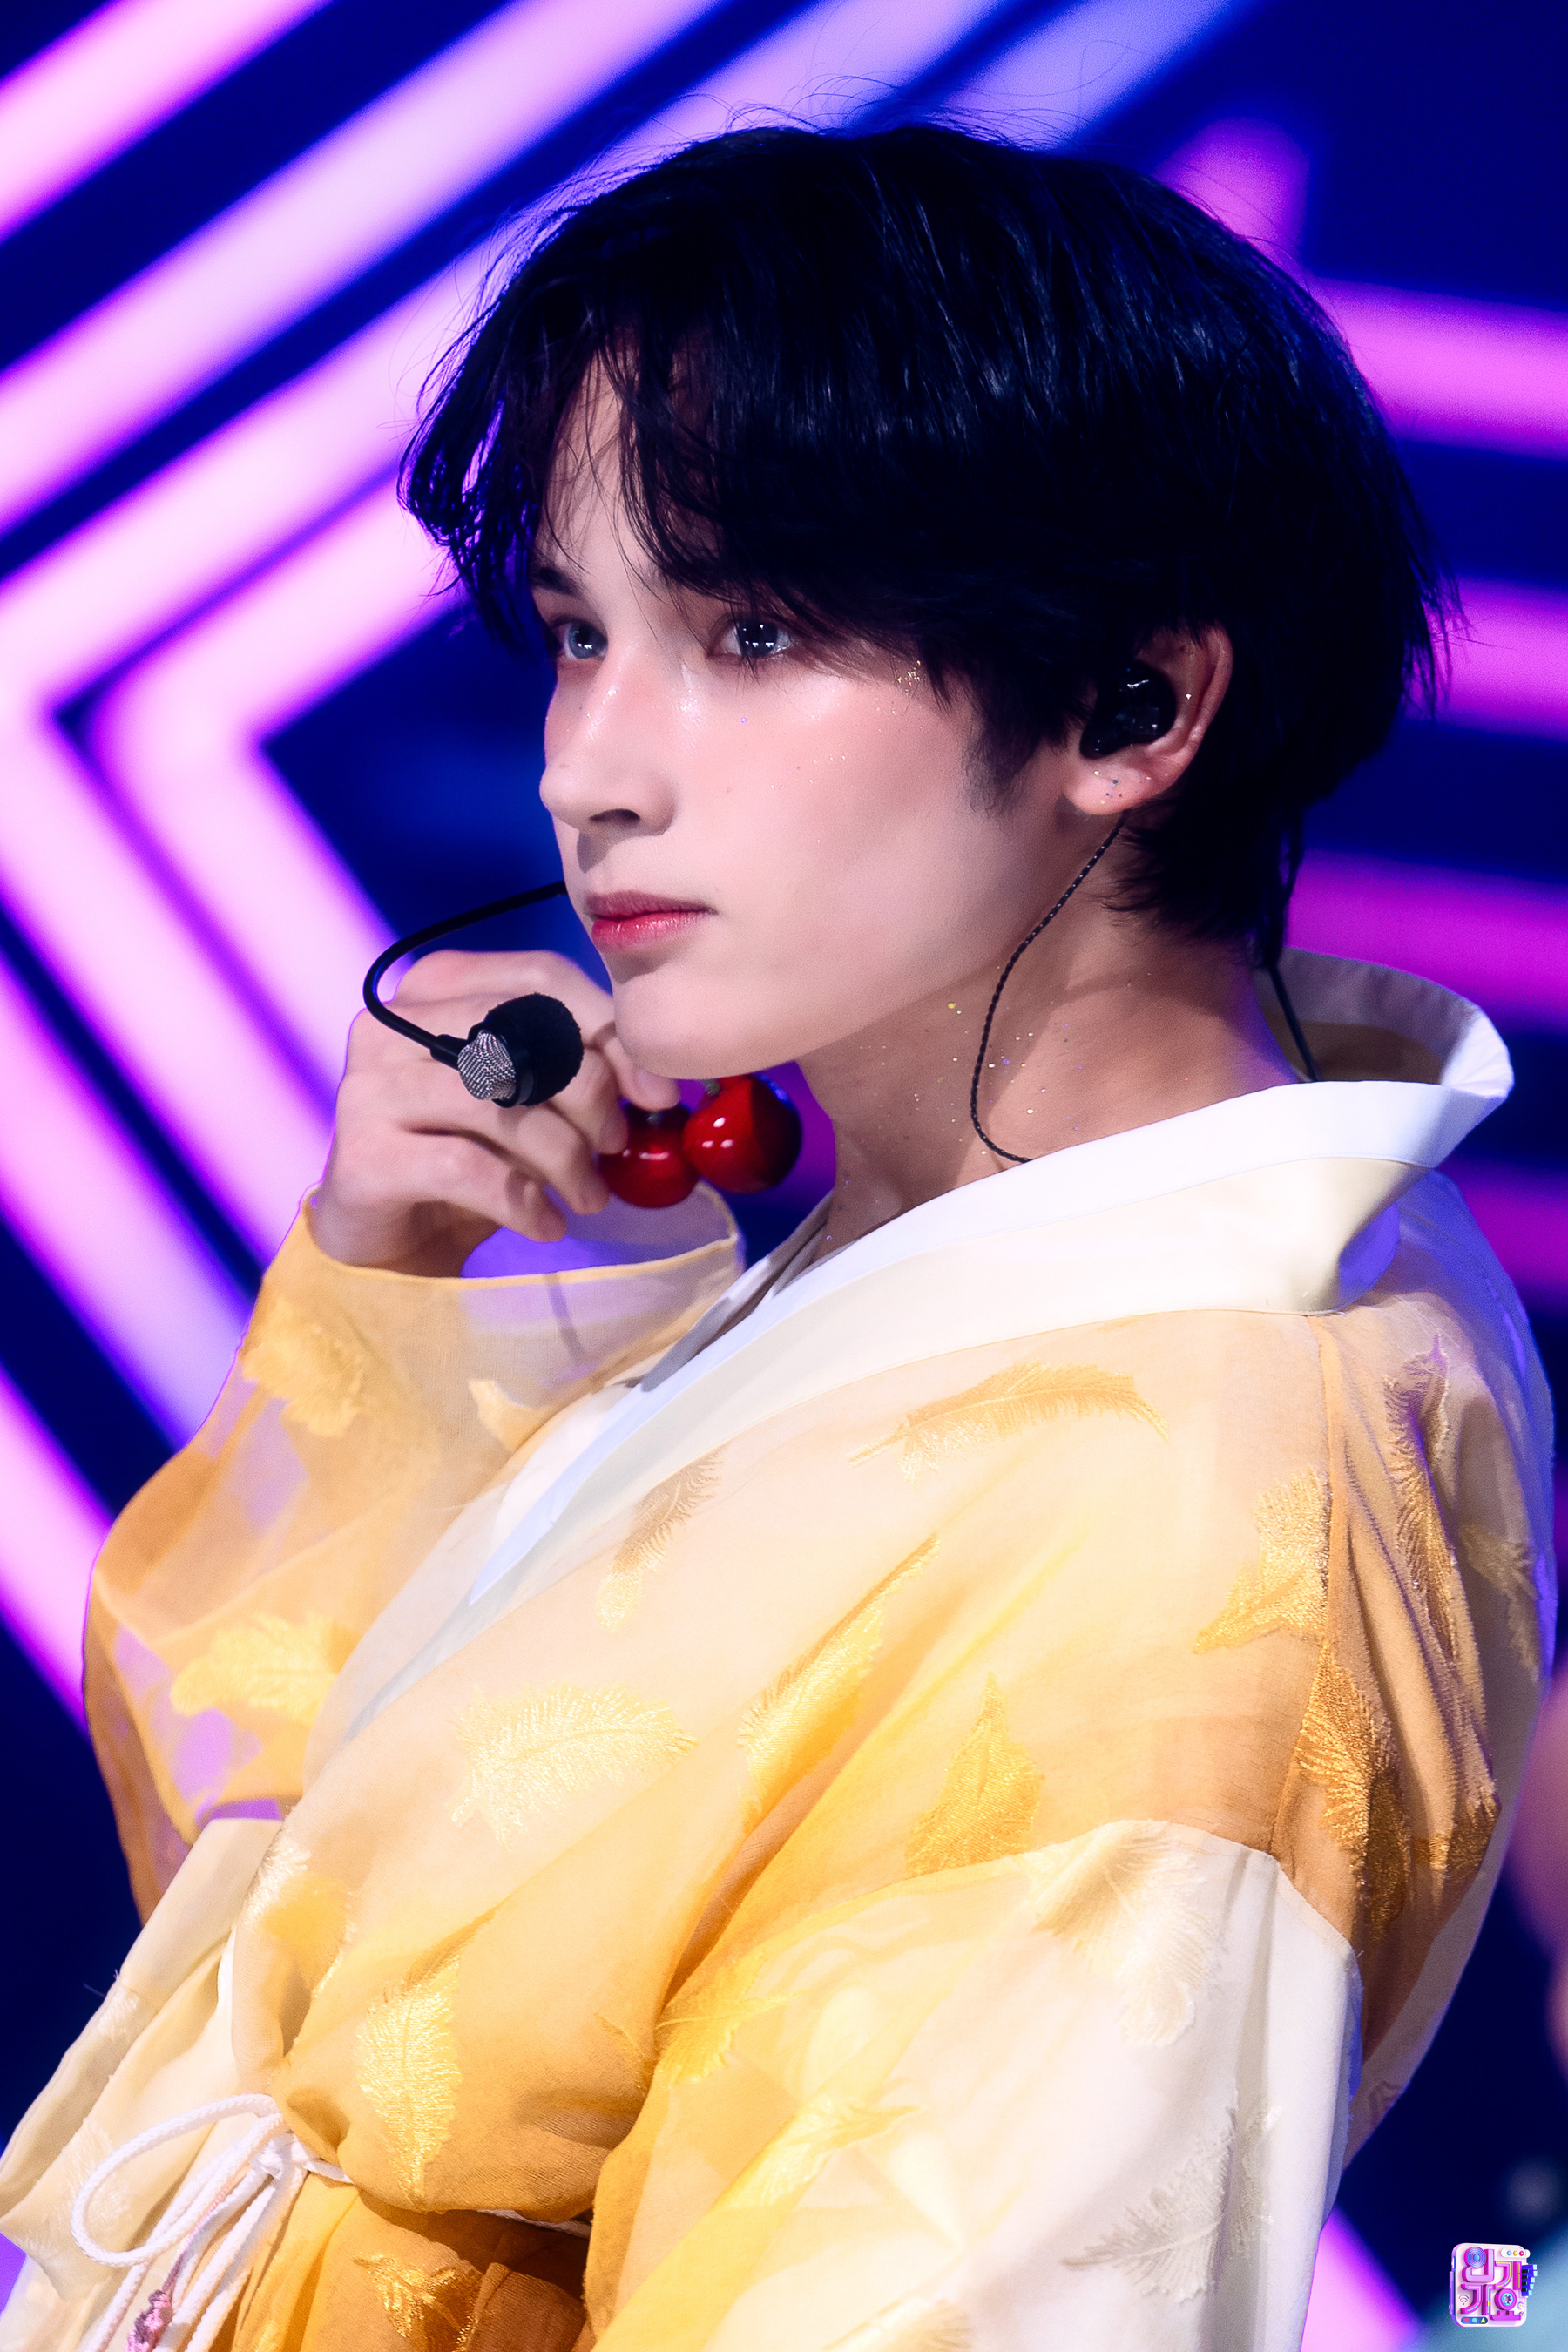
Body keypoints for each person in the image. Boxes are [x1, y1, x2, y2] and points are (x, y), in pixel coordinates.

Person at [0, 125, 1553, 2352]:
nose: (589, 768)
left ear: (1133, 706)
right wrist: (402, 1291)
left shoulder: (1183, 1475)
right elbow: (310, 1969)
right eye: (577, 632)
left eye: (747, 630)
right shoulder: (996, 1242)